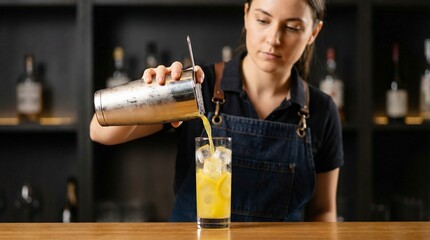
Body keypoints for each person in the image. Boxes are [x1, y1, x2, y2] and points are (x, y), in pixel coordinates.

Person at [90, 0, 343, 222]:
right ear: (246, 15)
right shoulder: (200, 86)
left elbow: (323, 211)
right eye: (263, 20)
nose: (273, 38)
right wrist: (150, 95)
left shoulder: (321, 110)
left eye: (292, 27)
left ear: (313, 31)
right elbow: (100, 131)